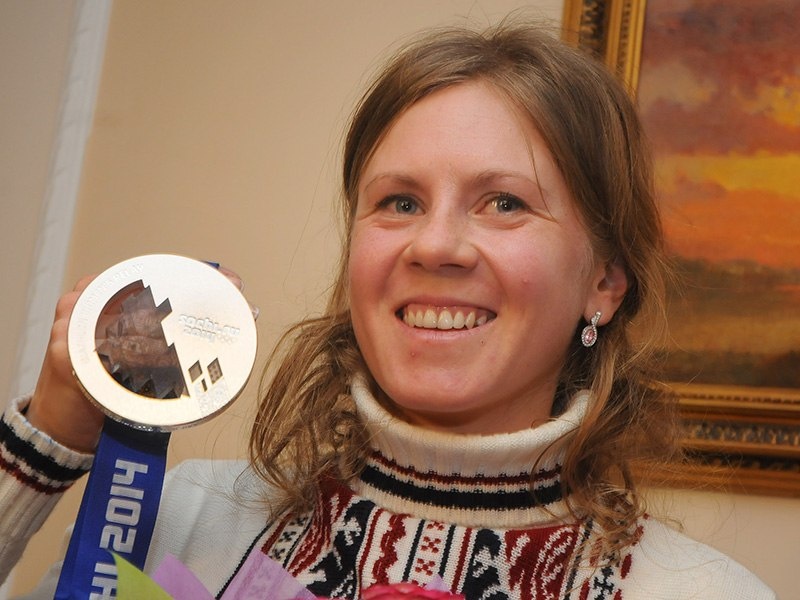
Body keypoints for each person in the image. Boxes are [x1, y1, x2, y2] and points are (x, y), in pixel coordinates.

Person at [0, 21, 775, 599]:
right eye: (400, 202)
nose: (434, 245)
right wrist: (47, 444)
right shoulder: (179, 522)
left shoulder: (703, 593)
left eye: (504, 203)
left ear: (605, 281)